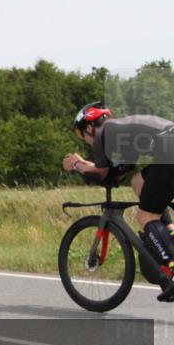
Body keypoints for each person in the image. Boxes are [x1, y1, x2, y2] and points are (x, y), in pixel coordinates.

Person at [63, 102, 174, 287]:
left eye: (81, 134)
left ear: (90, 127)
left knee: (146, 215)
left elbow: (101, 173)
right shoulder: (120, 130)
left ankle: (171, 264)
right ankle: (169, 231)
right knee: (138, 183)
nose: (84, 140)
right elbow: (119, 173)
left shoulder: (102, 134)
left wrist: (76, 164)